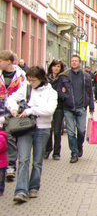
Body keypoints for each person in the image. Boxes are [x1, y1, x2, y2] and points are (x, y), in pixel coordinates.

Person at [8, 66, 57, 203]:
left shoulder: (51, 92)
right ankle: (21, 190)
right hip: (25, 128)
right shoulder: (26, 88)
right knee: (23, 159)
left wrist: (31, 111)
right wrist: (13, 108)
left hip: (43, 128)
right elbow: (11, 98)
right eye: (29, 80)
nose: (31, 83)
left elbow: (49, 110)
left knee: (37, 161)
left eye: (33, 80)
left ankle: (34, 187)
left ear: (41, 79)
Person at [59, 55, 95, 163]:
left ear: (80, 63)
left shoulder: (86, 76)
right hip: (68, 108)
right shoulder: (64, 76)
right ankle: (73, 153)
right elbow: (59, 91)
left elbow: (89, 92)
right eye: (72, 61)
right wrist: (64, 96)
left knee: (81, 130)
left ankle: (79, 146)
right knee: (70, 132)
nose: (74, 63)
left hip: (81, 107)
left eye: (76, 61)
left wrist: (91, 107)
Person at [0, 50, 27, 181]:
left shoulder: (21, 75)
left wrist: (13, 106)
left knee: (8, 135)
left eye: (1, 61)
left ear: (9, 61)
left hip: (13, 110)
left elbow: (23, 93)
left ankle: (10, 164)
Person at [45, 60, 66, 160]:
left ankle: (56, 152)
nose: (56, 68)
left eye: (58, 66)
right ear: (51, 67)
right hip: (48, 106)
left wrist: (62, 92)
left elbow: (66, 93)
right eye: (54, 66)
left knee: (57, 131)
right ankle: (47, 149)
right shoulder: (46, 79)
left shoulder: (63, 79)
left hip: (59, 107)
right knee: (48, 130)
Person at [0, 129, 7, 195]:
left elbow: (2, 147)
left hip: (1, 163)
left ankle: (1, 190)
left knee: (1, 178)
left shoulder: (1, 136)